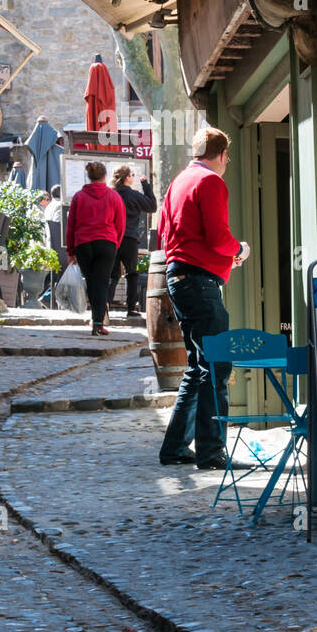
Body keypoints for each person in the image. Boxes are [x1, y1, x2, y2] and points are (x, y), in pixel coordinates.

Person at [156, 127, 250, 469]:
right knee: (216, 364)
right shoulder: (210, 182)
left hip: (179, 277)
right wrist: (239, 250)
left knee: (200, 366)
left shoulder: (178, 181)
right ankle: (211, 453)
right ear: (222, 154)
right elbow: (217, 237)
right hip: (199, 281)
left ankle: (176, 448)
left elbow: (165, 236)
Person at [66, 161, 126, 336]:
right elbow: (120, 224)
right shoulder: (114, 197)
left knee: (92, 282)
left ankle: (96, 320)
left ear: (89, 177)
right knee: (101, 282)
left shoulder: (79, 197)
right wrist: (116, 244)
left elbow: (71, 226)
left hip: (84, 243)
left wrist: (71, 251)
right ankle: (98, 322)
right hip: (106, 242)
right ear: (105, 176)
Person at [107, 166, 157, 319]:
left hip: (113, 238)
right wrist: (146, 186)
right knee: (132, 274)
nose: (133, 177)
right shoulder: (133, 195)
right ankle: (131, 308)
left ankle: (105, 305)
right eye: (132, 175)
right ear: (127, 178)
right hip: (129, 238)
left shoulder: (111, 194)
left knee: (112, 275)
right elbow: (152, 206)